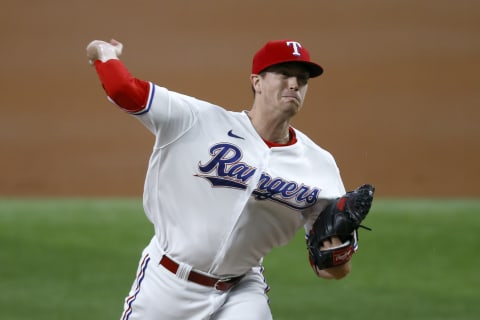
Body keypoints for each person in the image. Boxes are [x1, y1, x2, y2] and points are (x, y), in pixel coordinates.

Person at [86, 38, 351, 320]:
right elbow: (122, 89)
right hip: (166, 284)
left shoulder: (320, 166)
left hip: (240, 292)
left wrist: (338, 253)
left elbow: (331, 270)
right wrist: (104, 54)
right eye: (284, 74)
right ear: (257, 82)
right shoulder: (196, 121)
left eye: (302, 78)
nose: (294, 84)